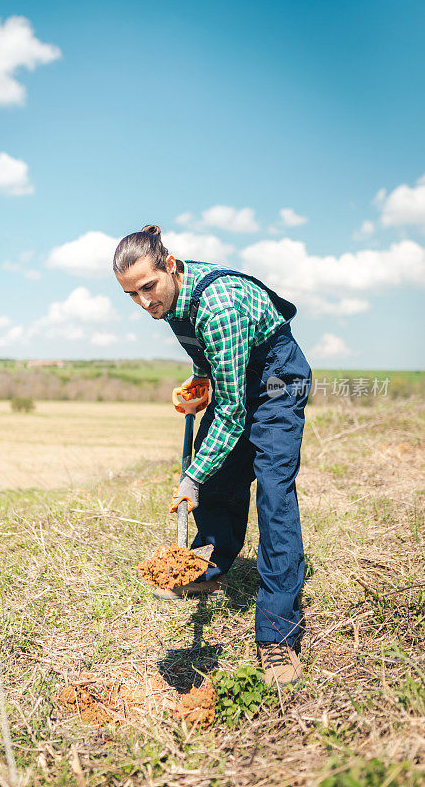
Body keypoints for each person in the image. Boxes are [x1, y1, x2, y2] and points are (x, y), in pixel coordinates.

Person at [113, 224, 312, 687]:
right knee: (223, 474)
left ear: (171, 265)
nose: (144, 302)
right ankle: (214, 563)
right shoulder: (170, 302)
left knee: (273, 492)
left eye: (149, 287)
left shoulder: (217, 306)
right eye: (131, 295)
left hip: (277, 380)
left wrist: (191, 478)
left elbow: (234, 415)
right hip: (239, 378)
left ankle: (278, 634)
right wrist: (199, 382)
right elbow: (214, 363)